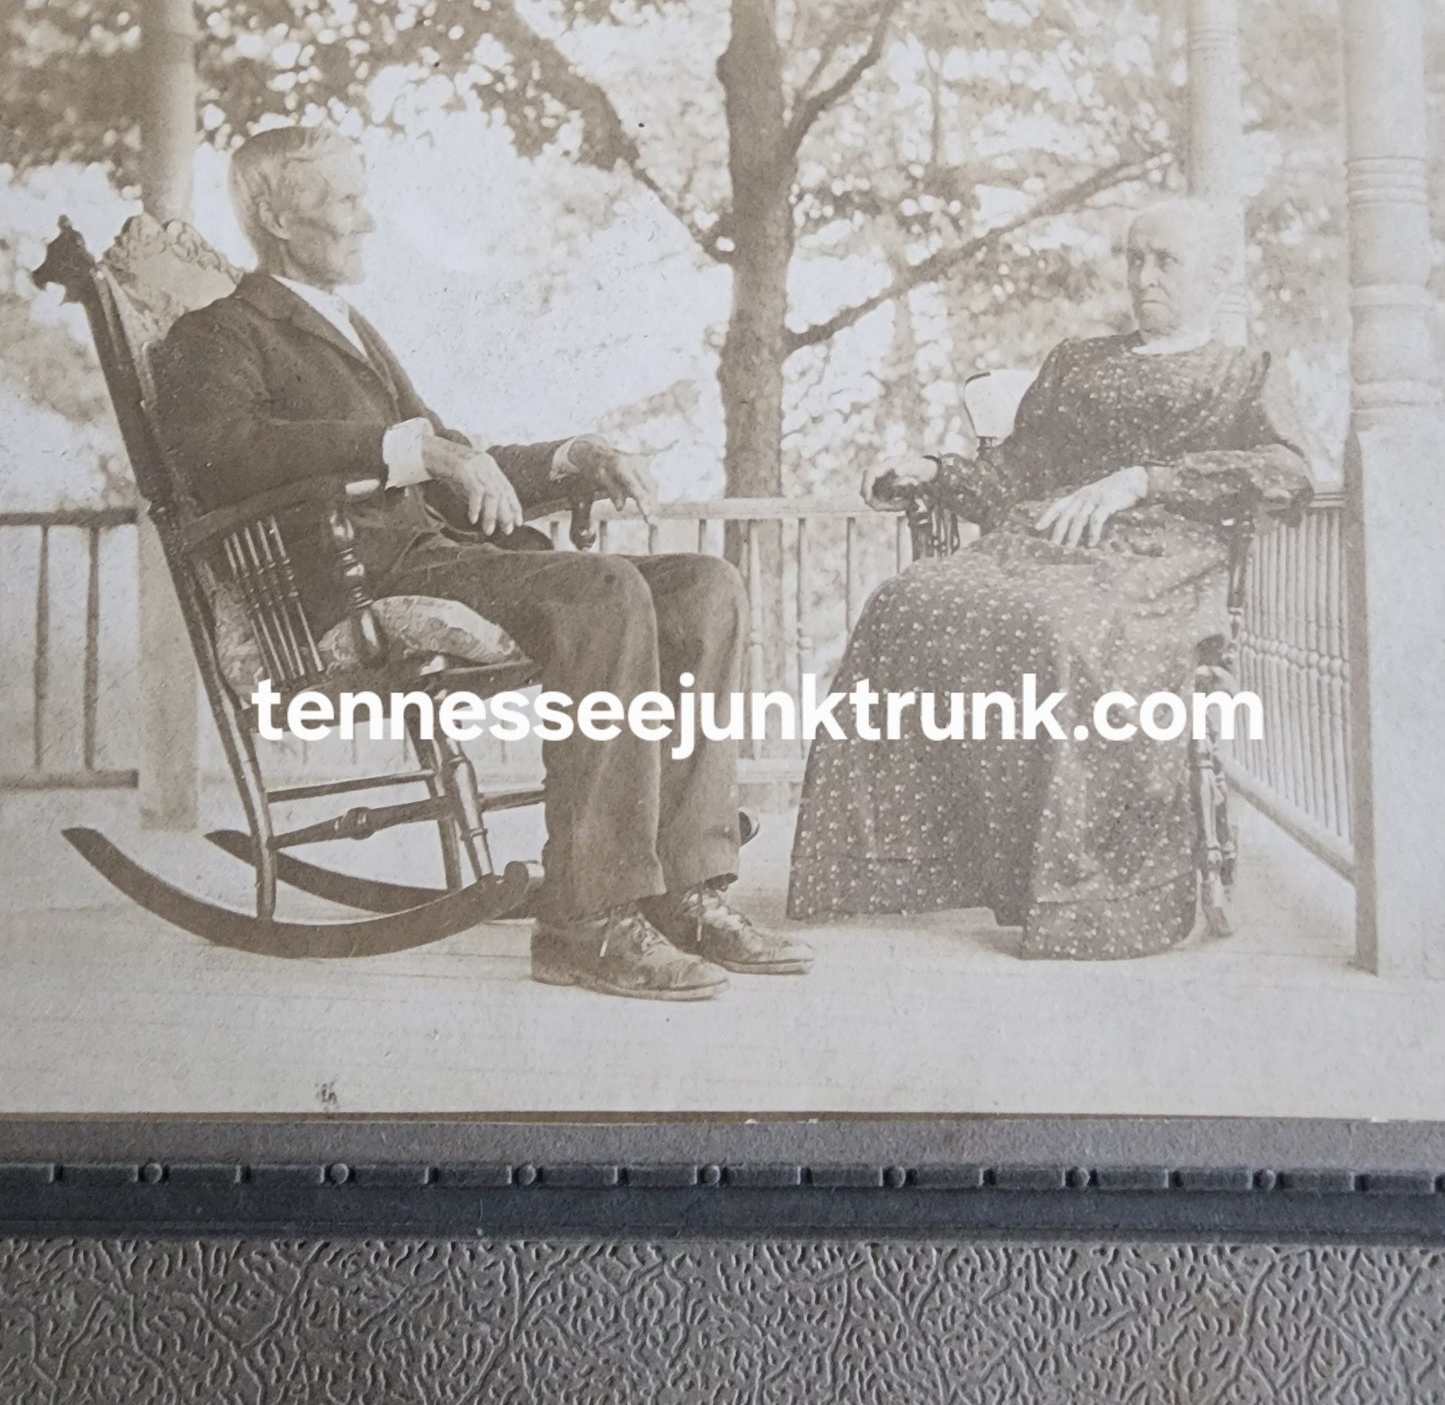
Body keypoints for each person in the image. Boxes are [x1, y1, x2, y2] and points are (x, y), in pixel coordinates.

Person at [154, 124, 812, 1000]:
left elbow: (456, 459)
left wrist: (568, 457)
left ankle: (686, 888)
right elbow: (222, 454)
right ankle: (587, 921)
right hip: (369, 576)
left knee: (704, 584)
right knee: (602, 589)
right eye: (344, 200)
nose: (368, 221)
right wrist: (409, 450)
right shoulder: (220, 332)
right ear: (275, 214)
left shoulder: (346, 324)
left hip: (442, 551)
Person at [786, 199, 1313, 960]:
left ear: (1219, 274)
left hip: (1158, 560)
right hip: (1042, 542)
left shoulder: (1244, 371)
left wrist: (1142, 479)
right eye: (1134, 257)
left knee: (1061, 630)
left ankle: (1083, 891)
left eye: (1164, 259)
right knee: (906, 600)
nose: (1142, 275)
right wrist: (936, 470)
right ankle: (904, 864)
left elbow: (1286, 472)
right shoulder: (1078, 360)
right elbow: (1018, 469)